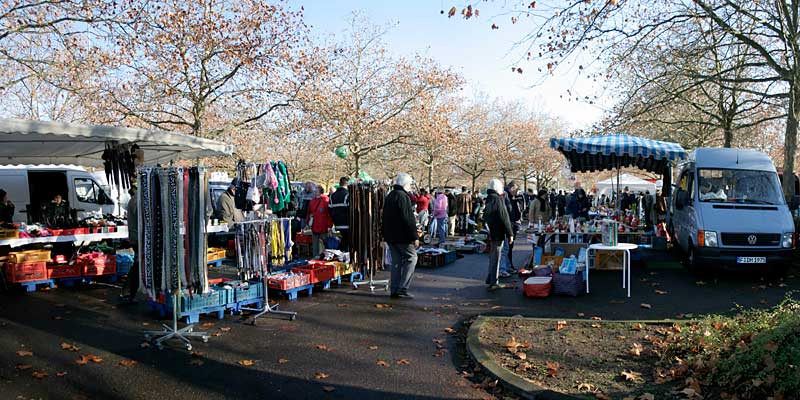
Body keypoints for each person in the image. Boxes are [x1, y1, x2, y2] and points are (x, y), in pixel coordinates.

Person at [382, 173, 419, 299]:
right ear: (405, 184)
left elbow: (384, 217)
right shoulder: (403, 196)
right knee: (411, 258)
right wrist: (414, 236)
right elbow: (408, 218)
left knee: (396, 262)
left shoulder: (390, 195)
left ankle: (395, 289)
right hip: (402, 236)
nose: (411, 187)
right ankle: (402, 288)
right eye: (410, 184)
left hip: (391, 236)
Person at [484, 179, 514, 291]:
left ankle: (490, 279)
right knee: (496, 257)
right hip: (498, 232)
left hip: (492, 231)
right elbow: (504, 217)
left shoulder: (489, 198)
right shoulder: (498, 199)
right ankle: (494, 282)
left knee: (493, 257)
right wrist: (510, 233)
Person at [122, 186, 139, 303]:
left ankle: (128, 292)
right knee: (138, 265)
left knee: (138, 265)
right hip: (138, 238)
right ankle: (128, 292)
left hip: (135, 237)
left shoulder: (134, 200)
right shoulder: (137, 200)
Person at [503, 182, 523, 273]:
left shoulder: (511, 197)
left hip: (512, 223)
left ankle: (509, 266)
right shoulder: (506, 196)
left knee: (509, 247)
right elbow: (508, 211)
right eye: (516, 189)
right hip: (510, 224)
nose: (517, 191)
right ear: (512, 188)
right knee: (508, 247)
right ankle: (507, 267)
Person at [307, 185, 332, 257]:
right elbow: (309, 213)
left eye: (316, 190)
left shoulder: (326, 200)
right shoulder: (313, 201)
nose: (315, 191)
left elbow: (329, 214)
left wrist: (329, 226)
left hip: (323, 226)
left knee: (325, 243)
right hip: (315, 225)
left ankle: (326, 256)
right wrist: (308, 222)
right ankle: (316, 257)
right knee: (315, 244)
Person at [328, 177, 350, 252]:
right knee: (346, 241)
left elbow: (329, 210)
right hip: (347, 223)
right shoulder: (347, 195)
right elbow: (349, 209)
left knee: (344, 239)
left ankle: (340, 252)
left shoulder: (332, 196)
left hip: (337, 223)